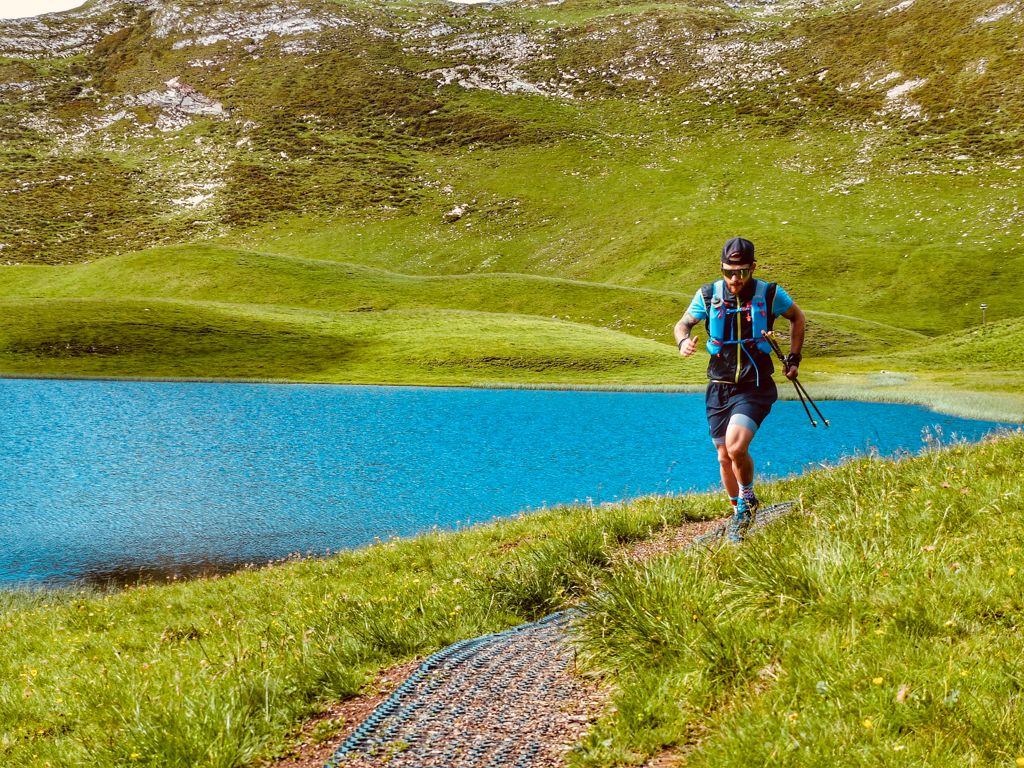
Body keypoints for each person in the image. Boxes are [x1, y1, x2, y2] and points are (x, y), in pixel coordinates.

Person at [674, 236, 806, 542]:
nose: (735, 279)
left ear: (753, 268)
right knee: (723, 456)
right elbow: (682, 324)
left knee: (736, 447)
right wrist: (683, 342)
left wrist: (794, 357)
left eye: (743, 272)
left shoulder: (770, 294)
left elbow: (798, 318)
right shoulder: (708, 295)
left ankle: (749, 500)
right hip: (719, 386)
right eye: (729, 271)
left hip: (755, 385)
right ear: (721, 268)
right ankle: (738, 513)